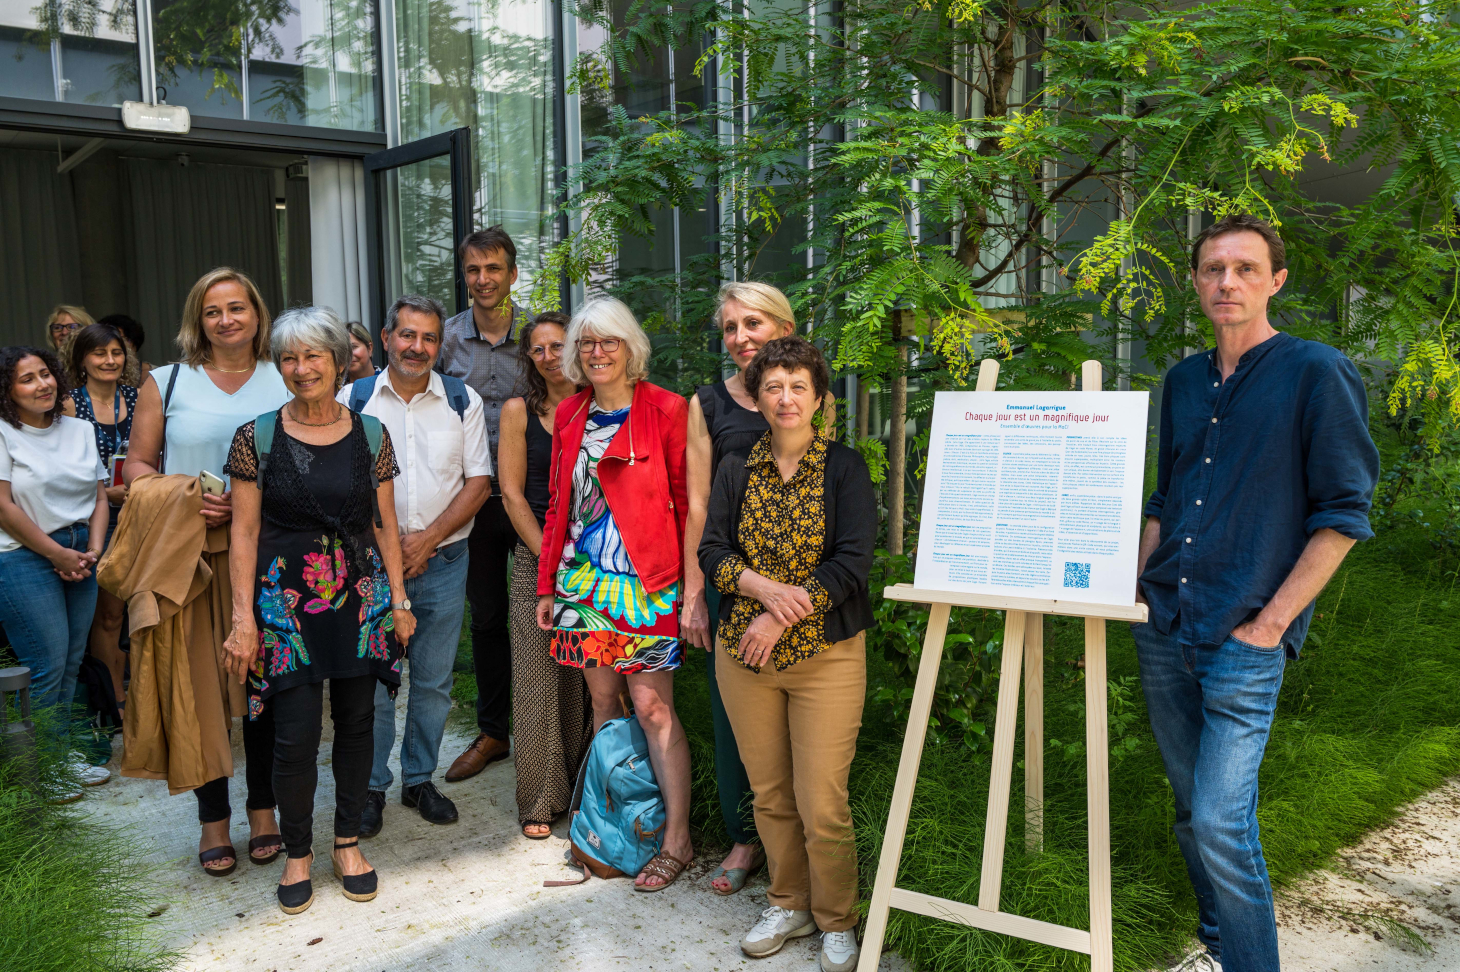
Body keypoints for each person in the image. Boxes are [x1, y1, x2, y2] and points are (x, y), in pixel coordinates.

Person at [1133, 214, 1379, 972]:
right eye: (1212, 269)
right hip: (1165, 625)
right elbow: (1164, 500)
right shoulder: (1181, 380)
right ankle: (1215, 946)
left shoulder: (1316, 371)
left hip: (1246, 633)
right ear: (1196, 282)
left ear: (1276, 280)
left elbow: (1342, 516)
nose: (1226, 282)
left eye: (1244, 268)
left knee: (1219, 822)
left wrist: (1273, 624)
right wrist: (1134, 598)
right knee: (1189, 812)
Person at [222, 306, 416, 915]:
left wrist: (400, 599)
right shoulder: (257, 436)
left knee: (359, 727)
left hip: (362, 602)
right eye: (289, 357)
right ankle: (299, 852)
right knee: (294, 733)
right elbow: (244, 535)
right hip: (285, 604)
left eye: (314, 356)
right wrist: (242, 618)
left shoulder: (371, 435)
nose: (302, 368)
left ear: (339, 361)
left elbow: (385, 526)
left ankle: (348, 843)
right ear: (278, 365)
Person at [698, 336, 875, 972]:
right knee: (770, 793)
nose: (786, 397)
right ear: (758, 399)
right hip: (743, 656)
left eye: (799, 385)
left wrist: (779, 616)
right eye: (774, 386)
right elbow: (713, 551)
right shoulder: (736, 467)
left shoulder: (845, 469)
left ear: (820, 399)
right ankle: (788, 901)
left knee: (821, 799)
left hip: (825, 655)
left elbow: (853, 564)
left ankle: (837, 918)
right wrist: (763, 591)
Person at [124, 267, 291, 875]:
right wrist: (185, 495)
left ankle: (265, 809)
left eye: (237, 308)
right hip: (187, 558)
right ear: (198, 320)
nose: (226, 320)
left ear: (257, 314)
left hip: (270, 555)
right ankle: (213, 819)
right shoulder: (166, 382)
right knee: (198, 689)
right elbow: (136, 467)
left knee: (265, 689)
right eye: (213, 310)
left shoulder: (285, 376)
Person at [533, 297, 694, 890]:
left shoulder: (668, 410)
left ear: (631, 348)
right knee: (603, 708)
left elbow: (687, 505)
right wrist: (549, 583)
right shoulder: (571, 414)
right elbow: (559, 507)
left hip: (646, 586)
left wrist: (687, 590)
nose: (596, 353)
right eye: (586, 344)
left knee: (652, 708)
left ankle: (675, 837)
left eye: (609, 342)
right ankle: (613, 824)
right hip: (582, 586)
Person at [339, 296, 490, 836]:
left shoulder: (460, 399)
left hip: (445, 558)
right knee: (374, 682)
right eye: (407, 335)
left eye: (428, 338)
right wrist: (388, 551)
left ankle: (419, 779)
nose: (417, 347)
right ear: (386, 338)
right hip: (371, 568)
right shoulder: (352, 400)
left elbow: (478, 483)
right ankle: (372, 787)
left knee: (432, 680)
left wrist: (426, 540)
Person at [683, 282, 800, 894]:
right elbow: (697, 504)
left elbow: (827, 493)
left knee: (798, 718)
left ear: (782, 325)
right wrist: (694, 593)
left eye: (752, 323)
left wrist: (791, 599)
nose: (740, 338)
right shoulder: (706, 403)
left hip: (803, 589)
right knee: (734, 719)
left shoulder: (809, 393)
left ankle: (798, 840)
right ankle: (745, 835)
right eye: (730, 327)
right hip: (730, 584)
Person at [437, 226, 530, 783]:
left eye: (493, 268)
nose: (483, 279)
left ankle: (565, 725)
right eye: (473, 270)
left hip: (536, 497)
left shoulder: (540, 335)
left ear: (512, 274)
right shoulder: (446, 340)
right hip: (474, 498)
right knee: (489, 618)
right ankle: (496, 730)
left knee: (550, 611)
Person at [0, 346, 112, 794]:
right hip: (23, 556)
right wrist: (55, 554)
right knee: (43, 665)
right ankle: (39, 770)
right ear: (7, 390)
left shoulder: (80, 428)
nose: (42, 384)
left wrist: (93, 550)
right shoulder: (4, 432)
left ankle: (60, 755)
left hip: (82, 550)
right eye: (26, 379)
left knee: (69, 662)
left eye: (45, 374)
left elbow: (100, 496)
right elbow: (3, 508)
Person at [498, 311, 591, 839]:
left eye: (560, 346)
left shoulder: (598, 405)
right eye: (539, 349)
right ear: (529, 358)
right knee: (536, 677)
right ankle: (539, 799)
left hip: (598, 558)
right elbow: (511, 493)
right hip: (538, 557)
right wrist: (550, 562)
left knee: (590, 680)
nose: (550, 356)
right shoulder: (518, 411)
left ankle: (584, 790)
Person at [62, 323, 137, 705]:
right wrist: (109, 493)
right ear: (82, 360)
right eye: (99, 353)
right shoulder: (69, 404)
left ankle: (146, 698)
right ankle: (115, 700)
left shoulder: (140, 398)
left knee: (140, 615)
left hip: (142, 516)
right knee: (108, 616)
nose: (109, 360)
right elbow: (63, 474)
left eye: (116, 352)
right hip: (97, 521)